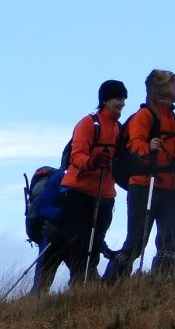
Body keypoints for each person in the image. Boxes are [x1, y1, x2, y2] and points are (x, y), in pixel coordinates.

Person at [103, 69, 175, 282]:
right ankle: (110, 285)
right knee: (136, 242)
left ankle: (161, 286)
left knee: (168, 243)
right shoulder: (144, 117)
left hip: (171, 189)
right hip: (145, 186)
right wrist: (149, 148)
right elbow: (134, 146)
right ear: (162, 88)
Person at [52, 79, 126, 286]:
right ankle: (81, 282)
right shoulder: (88, 123)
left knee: (96, 241)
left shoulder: (120, 129)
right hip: (77, 191)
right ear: (105, 100)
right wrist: (92, 162)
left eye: (123, 99)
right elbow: (76, 156)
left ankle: (87, 282)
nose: (121, 103)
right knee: (79, 240)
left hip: (105, 195)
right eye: (117, 98)